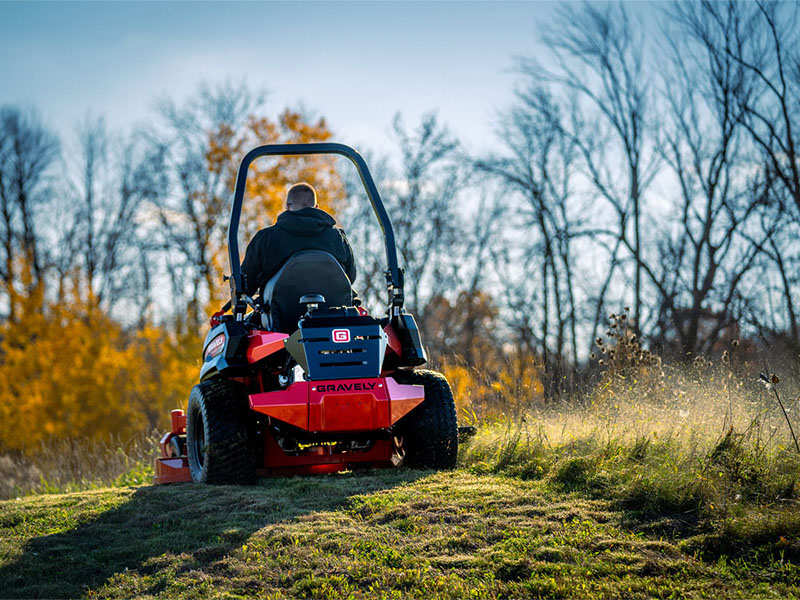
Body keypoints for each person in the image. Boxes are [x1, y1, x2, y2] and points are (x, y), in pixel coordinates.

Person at [240, 182, 357, 298]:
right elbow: (350, 277)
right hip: (333, 310)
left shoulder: (266, 238)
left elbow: (246, 284)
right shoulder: (338, 237)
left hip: (280, 313)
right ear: (316, 207)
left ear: (287, 206)